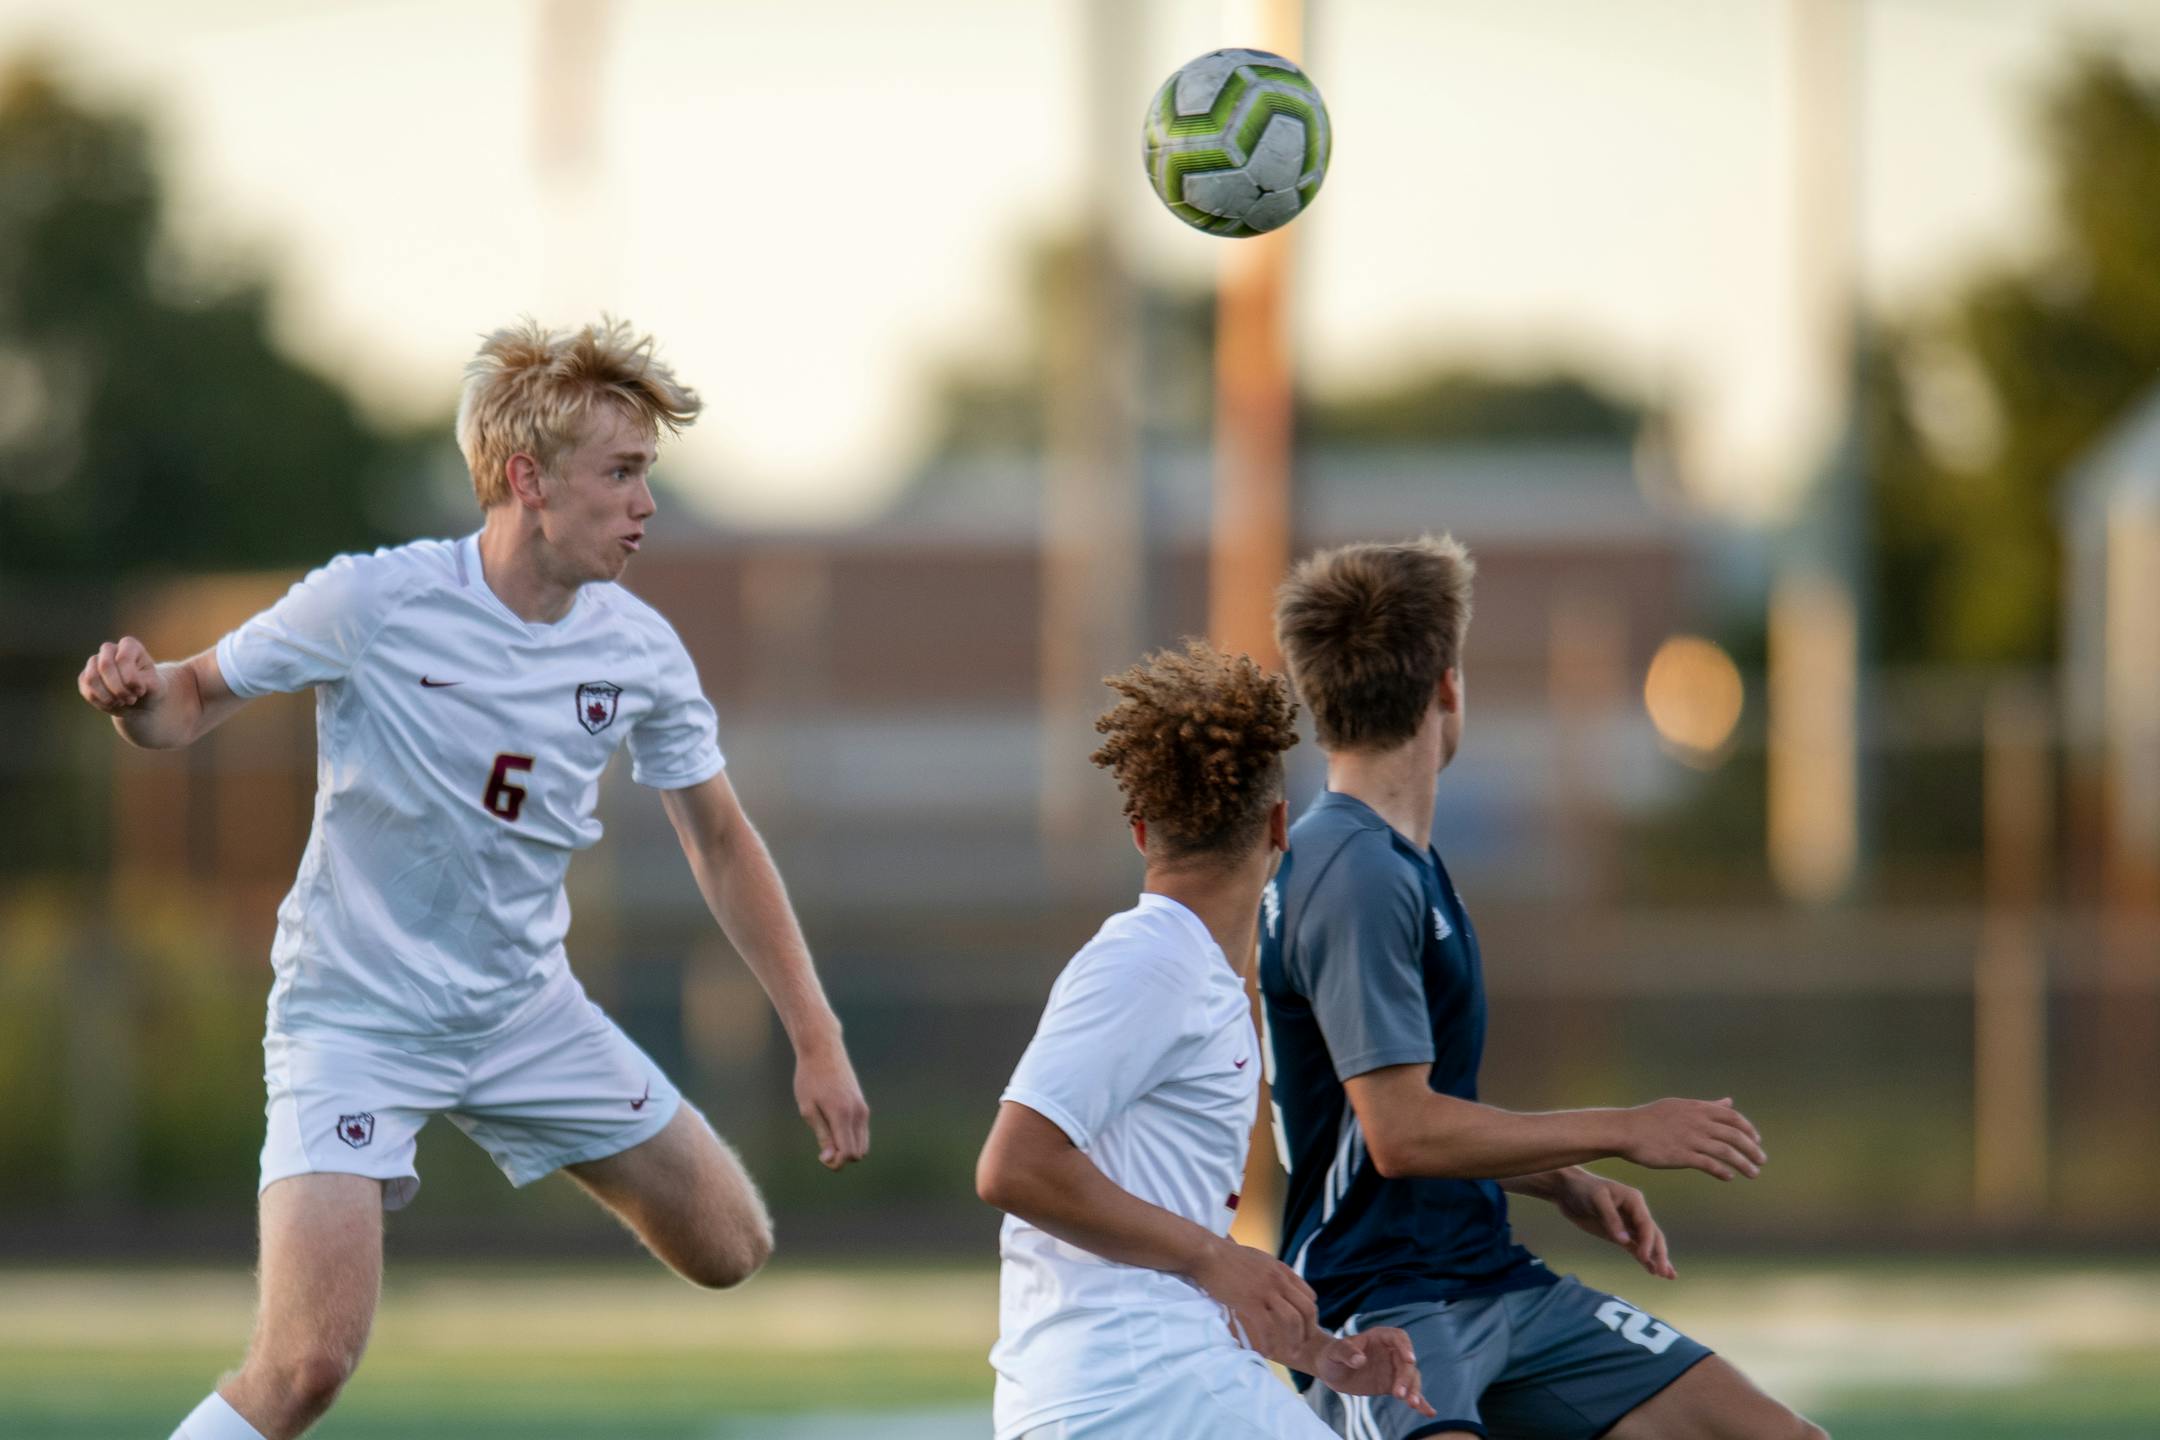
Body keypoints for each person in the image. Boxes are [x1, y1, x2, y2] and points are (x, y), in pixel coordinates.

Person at [77, 318, 871, 1440]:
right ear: (526, 479)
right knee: (305, 1367)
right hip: (353, 1018)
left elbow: (723, 841)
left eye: (650, 473)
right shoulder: (373, 601)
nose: (646, 504)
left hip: (520, 1011)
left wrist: (817, 1035)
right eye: (624, 473)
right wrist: (134, 697)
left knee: (733, 1247)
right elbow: (188, 698)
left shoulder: (638, 649)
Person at [1260, 536, 1827, 1440]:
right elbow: (1400, 1134)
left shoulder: (1398, 861)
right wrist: (1626, 1130)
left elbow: (1414, 1110)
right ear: (1448, 684)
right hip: (1383, 1304)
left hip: (1489, 1277)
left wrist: (1559, 1179)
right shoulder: (1351, 869)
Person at [977, 640, 1435, 1440]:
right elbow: (1015, 1166)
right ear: (1280, 825)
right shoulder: (1150, 961)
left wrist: (1319, 1351)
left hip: (1144, 1387)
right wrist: (1215, 1259)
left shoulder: (1189, 973)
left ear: (1140, 829)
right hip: (1139, 1392)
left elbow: (1149, 1226)